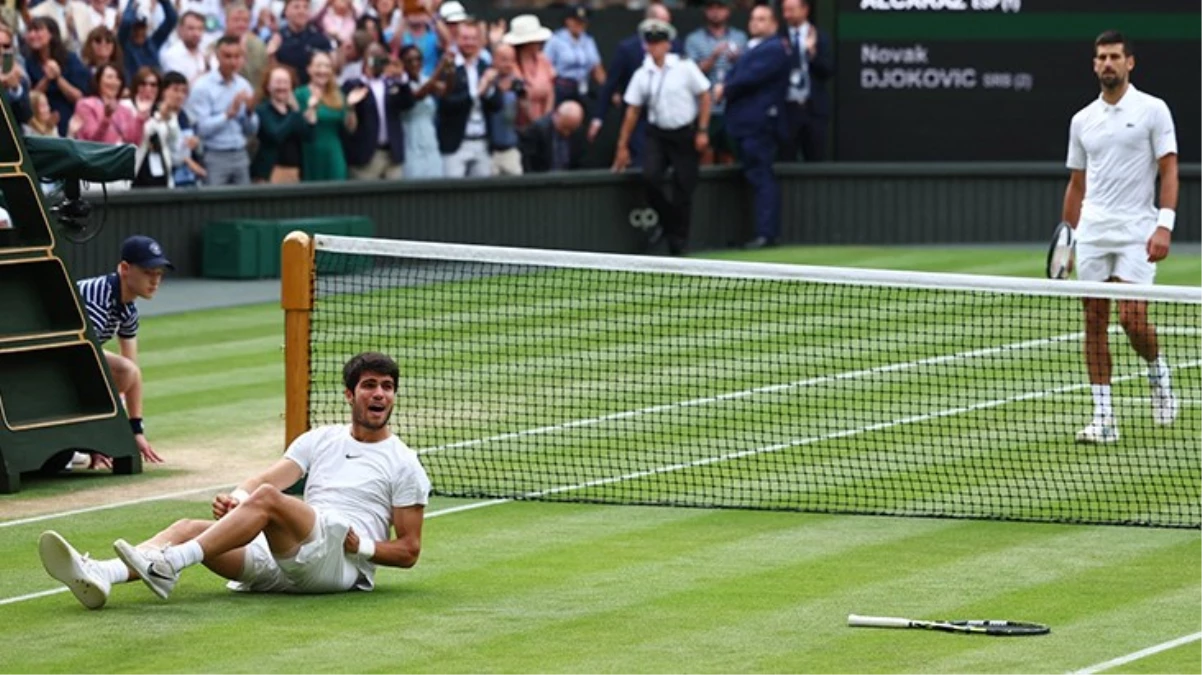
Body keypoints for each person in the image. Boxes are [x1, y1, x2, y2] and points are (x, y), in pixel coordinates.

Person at [38, 352, 431, 609]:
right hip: (291, 559)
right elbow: (267, 479)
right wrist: (237, 499)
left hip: (339, 566)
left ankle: (169, 563)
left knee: (266, 500)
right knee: (189, 526)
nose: (379, 394)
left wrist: (359, 544)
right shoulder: (320, 439)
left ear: (393, 396)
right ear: (350, 394)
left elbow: (409, 551)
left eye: (387, 387)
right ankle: (102, 574)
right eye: (370, 385)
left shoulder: (403, 463)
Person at [1063, 30, 1179, 443]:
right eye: (1101, 58)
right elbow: (1077, 184)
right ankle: (1104, 418)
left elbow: (1169, 169)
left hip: (1136, 232)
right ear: (1094, 65)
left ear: (1130, 62)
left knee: (1132, 319)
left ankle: (1158, 373)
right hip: (1093, 233)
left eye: (1114, 57)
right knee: (1094, 322)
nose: (1107, 64)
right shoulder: (1082, 120)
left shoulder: (1153, 110)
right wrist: (1067, 240)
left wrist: (1164, 224)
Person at [613, 19, 710, 257]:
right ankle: (669, 226)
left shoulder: (685, 67)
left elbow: (705, 95)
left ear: (668, 44)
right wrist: (622, 145)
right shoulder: (641, 73)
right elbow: (633, 110)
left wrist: (702, 130)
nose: (654, 46)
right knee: (650, 177)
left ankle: (679, 242)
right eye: (650, 42)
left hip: (684, 133)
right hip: (658, 134)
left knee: (683, 188)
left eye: (658, 42)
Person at [73, 235, 170, 468]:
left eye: (159, 273)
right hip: (49, 359)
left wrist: (136, 431)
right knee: (119, 370)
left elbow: (133, 371)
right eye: (148, 272)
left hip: (72, 359)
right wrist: (100, 438)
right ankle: (78, 440)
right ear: (125, 269)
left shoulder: (128, 307)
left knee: (127, 370)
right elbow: (81, 365)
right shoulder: (97, 298)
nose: (155, 281)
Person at [715, 5, 790, 249]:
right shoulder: (752, 47)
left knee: (761, 176)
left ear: (774, 24)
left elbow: (750, 78)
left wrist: (724, 88)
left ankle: (766, 234)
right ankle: (762, 231)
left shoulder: (775, 48)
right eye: (753, 18)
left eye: (762, 19)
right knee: (754, 176)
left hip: (758, 124)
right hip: (742, 124)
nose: (756, 23)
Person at [779, 0, 833, 162]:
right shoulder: (778, 38)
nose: (787, 14)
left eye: (792, 10)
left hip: (813, 109)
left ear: (805, 10)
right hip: (787, 109)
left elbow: (828, 70)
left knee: (816, 158)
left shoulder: (820, 36)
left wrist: (812, 53)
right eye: (785, 10)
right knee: (785, 160)